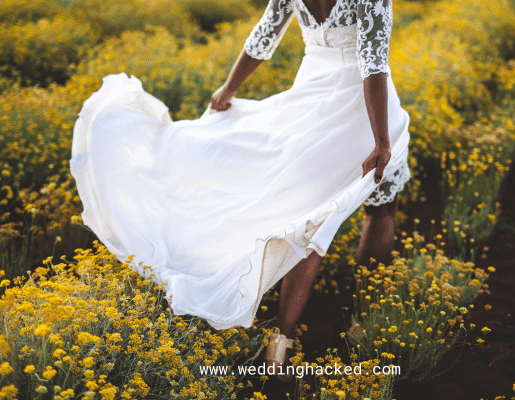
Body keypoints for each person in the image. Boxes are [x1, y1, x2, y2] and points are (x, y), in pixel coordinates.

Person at [69, 0, 410, 383]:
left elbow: (264, 36)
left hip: (310, 105)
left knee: (309, 216)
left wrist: (229, 88)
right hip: (358, 110)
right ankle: (361, 319)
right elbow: (373, 64)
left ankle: (281, 346)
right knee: (379, 210)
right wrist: (382, 139)